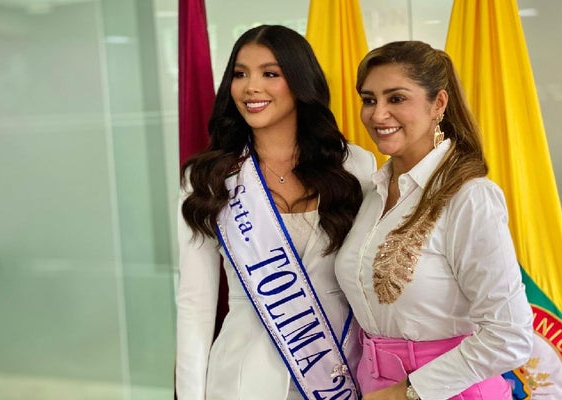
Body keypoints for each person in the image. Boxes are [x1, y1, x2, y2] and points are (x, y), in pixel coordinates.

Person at [175, 25, 376, 400]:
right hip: (243, 382)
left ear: (300, 83)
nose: (251, 87)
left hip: (339, 373)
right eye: (240, 74)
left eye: (270, 74)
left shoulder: (355, 166)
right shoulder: (207, 178)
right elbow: (195, 304)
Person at [335, 40, 534, 400]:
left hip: (449, 391)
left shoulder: (469, 197)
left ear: (438, 104)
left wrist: (408, 391)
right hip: (373, 387)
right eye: (369, 100)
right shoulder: (371, 193)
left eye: (396, 98)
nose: (378, 115)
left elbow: (510, 335)